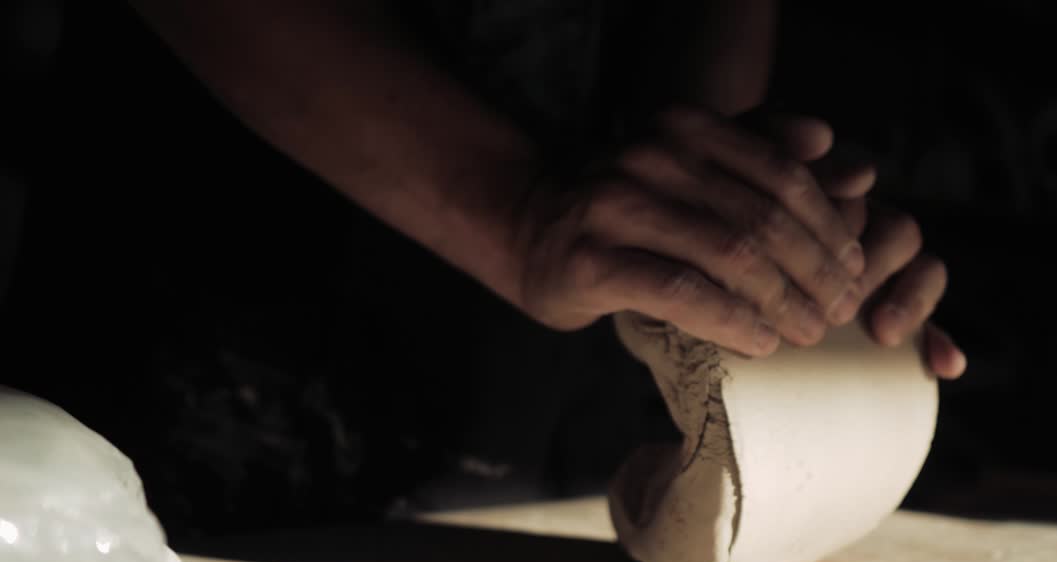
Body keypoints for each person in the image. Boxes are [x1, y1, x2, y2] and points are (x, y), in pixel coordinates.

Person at [126, 0, 966, 374]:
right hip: (236, 310)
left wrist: (760, 235)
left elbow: (709, 52)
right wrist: (511, 214)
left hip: (566, 398)